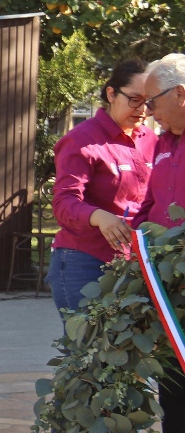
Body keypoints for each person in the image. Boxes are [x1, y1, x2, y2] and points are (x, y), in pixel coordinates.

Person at [48, 60, 156, 314]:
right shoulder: (82, 140)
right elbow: (63, 202)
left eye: (149, 102)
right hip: (85, 260)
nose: (142, 110)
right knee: (86, 349)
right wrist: (98, 217)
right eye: (134, 99)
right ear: (111, 93)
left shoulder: (151, 140)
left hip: (137, 261)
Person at [137, 53, 185, 433]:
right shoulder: (164, 143)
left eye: (152, 101)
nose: (147, 111)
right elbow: (151, 206)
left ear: (181, 94)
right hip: (169, 289)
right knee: (172, 385)